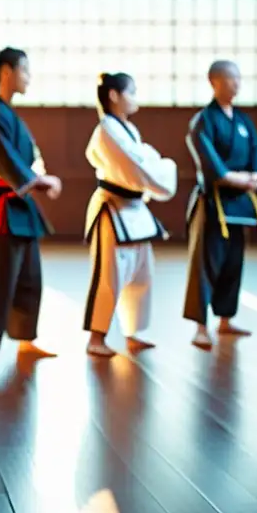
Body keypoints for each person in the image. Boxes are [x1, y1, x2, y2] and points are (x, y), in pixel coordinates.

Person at [0, 47, 62, 373]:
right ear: (6, 71)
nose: (28, 77)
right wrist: (40, 181)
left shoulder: (10, 116)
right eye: (25, 70)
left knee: (30, 276)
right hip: (2, 206)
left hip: (21, 205)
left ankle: (25, 337)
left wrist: (38, 175)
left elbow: (32, 157)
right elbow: (10, 163)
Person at [183, 59, 257, 349]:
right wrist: (234, 178)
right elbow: (210, 163)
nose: (236, 84)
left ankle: (225, 319)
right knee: (206, 264)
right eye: (230, 79)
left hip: (239, 206)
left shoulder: (243, 122)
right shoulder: (203, 121)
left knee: (233, 263)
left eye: (238, 78)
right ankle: (201, 326)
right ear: (214, 82)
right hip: (213, 202)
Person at [82, 72, 178, 357]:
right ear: (114, 95)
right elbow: (140, 166)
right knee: (109, 275)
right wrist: (160, 169)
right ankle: (96, 338)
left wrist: (154, 167)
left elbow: (143, 161)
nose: (135, 98)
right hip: (112, 208)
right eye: (131, 92)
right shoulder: (106, 130)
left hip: (135, 210)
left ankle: (133, 331)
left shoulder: (127, 129)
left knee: (141, 272)